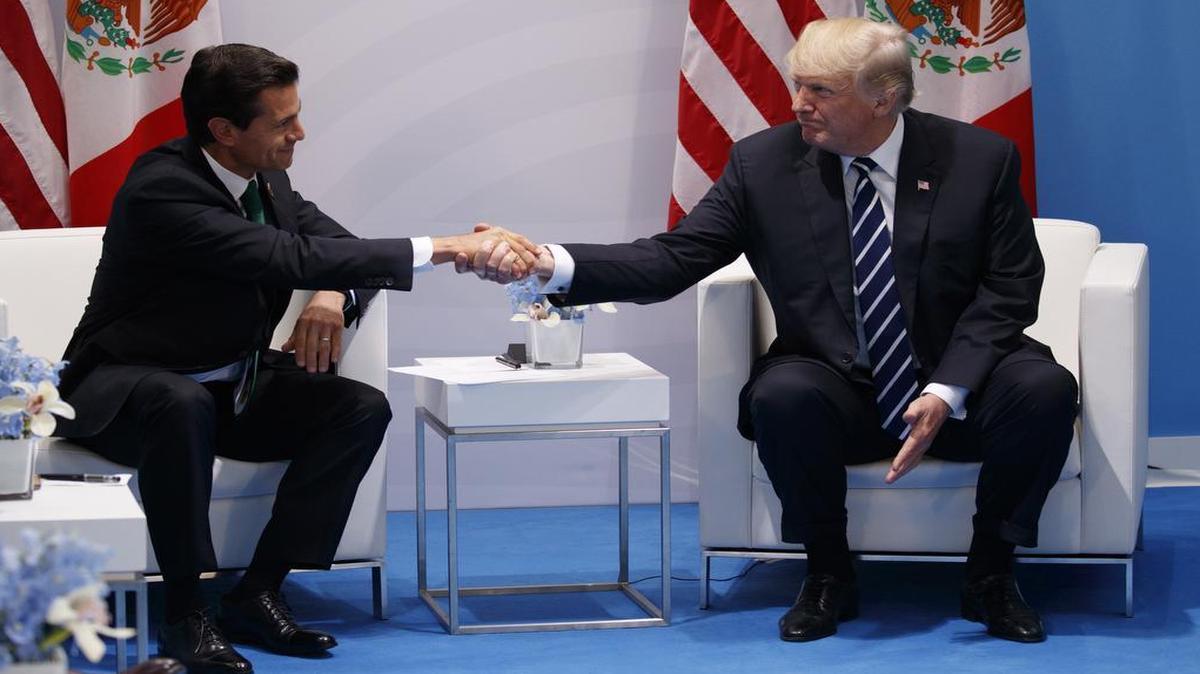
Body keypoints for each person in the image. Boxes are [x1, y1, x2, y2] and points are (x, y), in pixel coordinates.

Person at [465, 18, 1076, 644]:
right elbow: (672, 259)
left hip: (957, 379)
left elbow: (1012, 285)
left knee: (1043, 389)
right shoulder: (763, 164)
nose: (798, 104)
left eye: (820, 90)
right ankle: (827, 573)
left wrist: (947, 389)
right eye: (797, 85)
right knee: (782, 395)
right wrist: (548, 264)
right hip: (837, 379)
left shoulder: (978, 159)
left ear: (884, 98)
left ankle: (992, 572)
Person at [56, 44, 539, 674]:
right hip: (124, 393)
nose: (300, 133)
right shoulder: (162, 189)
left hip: (227, 388)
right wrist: (448, 246)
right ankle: (185, 613)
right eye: (283, 122)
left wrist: (332, 297)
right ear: (224, 130)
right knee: (179, 403)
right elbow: (285, 257)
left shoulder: (268, 181)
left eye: (297, 115)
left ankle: (258, 591)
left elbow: (339, 250)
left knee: (357, 407)